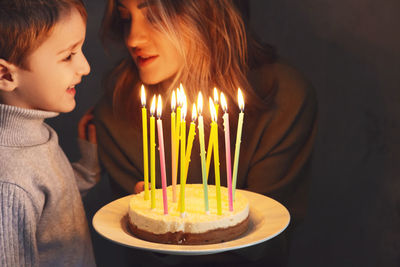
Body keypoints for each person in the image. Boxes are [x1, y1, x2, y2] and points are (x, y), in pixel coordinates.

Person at [94, 0, 317, 266]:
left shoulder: (284, 98)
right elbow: (144, 247)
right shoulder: (117, 114)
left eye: (154, 16)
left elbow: (267, 243)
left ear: (206, 11)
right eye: (126, 17)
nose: (133, 38)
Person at [0, 0, 100, 266]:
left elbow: (55, 206)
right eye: (68, 56)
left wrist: (88, 169)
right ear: (5, 75)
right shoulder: (9, 181)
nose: (85, 67)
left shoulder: (37, 136)